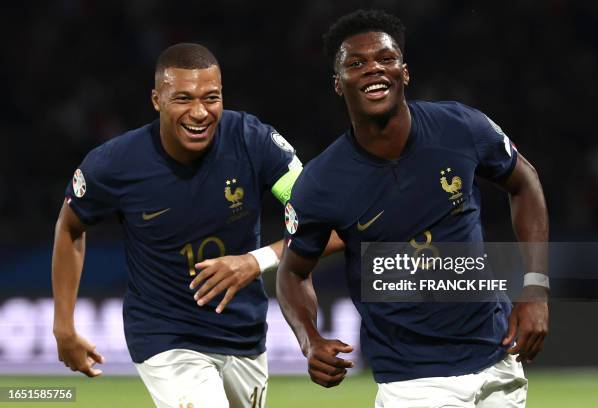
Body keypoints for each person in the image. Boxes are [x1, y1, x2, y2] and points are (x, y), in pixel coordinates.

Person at [277, 10, 549, 408]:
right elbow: (293, 271)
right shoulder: (320, 183)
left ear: (404, 72)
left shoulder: (460, 128)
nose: (373, 69)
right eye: (356, 64)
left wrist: (536, 288)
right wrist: (309, 340)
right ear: (339, 84)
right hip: (415, 383)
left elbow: (525, 182)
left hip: (498, 361)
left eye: (385, 59)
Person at [52, 42, 342, 408]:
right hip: (164, 336)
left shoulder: (253, 141)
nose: (200, 112)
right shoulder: (114, 165)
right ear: (157, 100)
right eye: (184, 99)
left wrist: (254, 261)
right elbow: (70, 226)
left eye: (211, 98)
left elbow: (329, 226)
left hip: (243, 334)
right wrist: (64, 325)